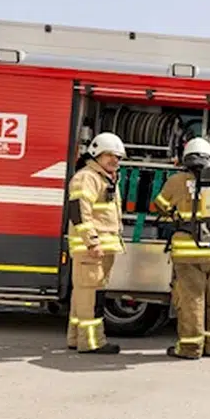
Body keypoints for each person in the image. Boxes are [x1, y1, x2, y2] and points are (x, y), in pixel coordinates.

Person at [154, 137, 210, 359]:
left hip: (187, 253)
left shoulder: (176, 181)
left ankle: (190, 348)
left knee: (191, 300)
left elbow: (160, 205)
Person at [65, 132, 127, 354]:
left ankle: (75, 337)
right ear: (96, 154)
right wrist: (92, 243)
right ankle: (92, 342)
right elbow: (80, 212)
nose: (114, 160)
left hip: (101, 248)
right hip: (91, 249)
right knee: (91, 297)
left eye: (118, 157)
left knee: (83, 294)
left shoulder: (105, 177)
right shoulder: (88, 178)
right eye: (109, 155)